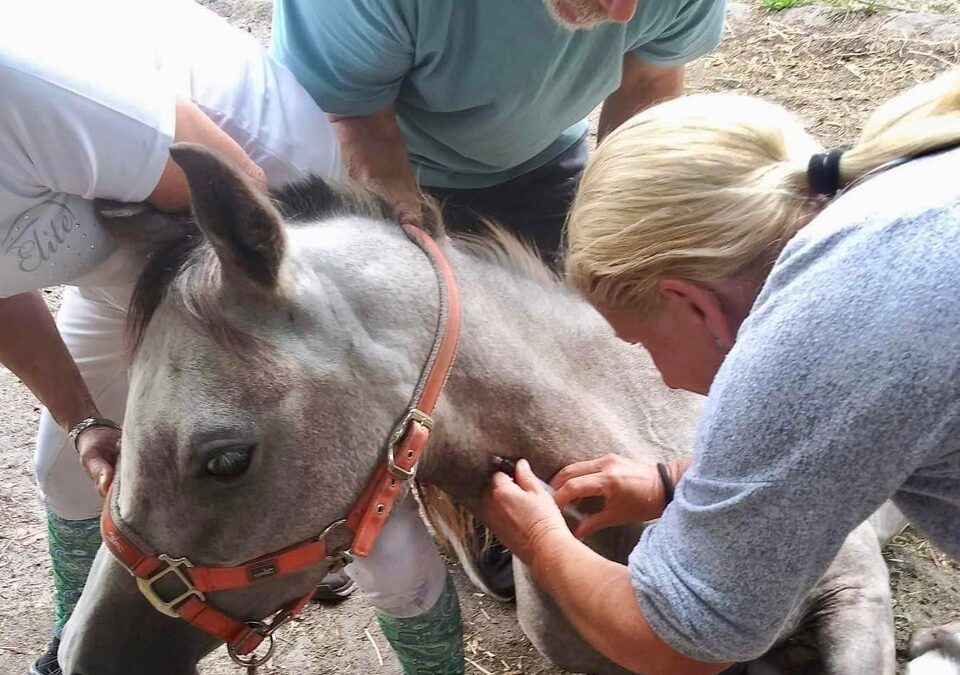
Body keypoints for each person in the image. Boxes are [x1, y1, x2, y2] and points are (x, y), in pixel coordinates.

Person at [481, 68, 960, 674]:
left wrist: (538, 542)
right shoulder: (893, 187)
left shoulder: (813, 341)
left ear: (692, 303)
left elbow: (681, 643)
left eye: (642, 342)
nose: (668, 378)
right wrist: (668, 481)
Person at [270, 0, 727, 602]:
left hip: (541, 155)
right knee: (445, 365)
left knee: (588, 330)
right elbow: (354, 118)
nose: (622, 10)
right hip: (399, 165)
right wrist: (419, 254)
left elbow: (647, 82)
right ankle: (468, 507)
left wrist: (621, 225)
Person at [0, 2, 376, 673]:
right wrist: (85, 420)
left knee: (239, 465)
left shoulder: (19, 84)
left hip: (260, 218)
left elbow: (238, 200)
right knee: (65, 470)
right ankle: (75, 653)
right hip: (121, 240)